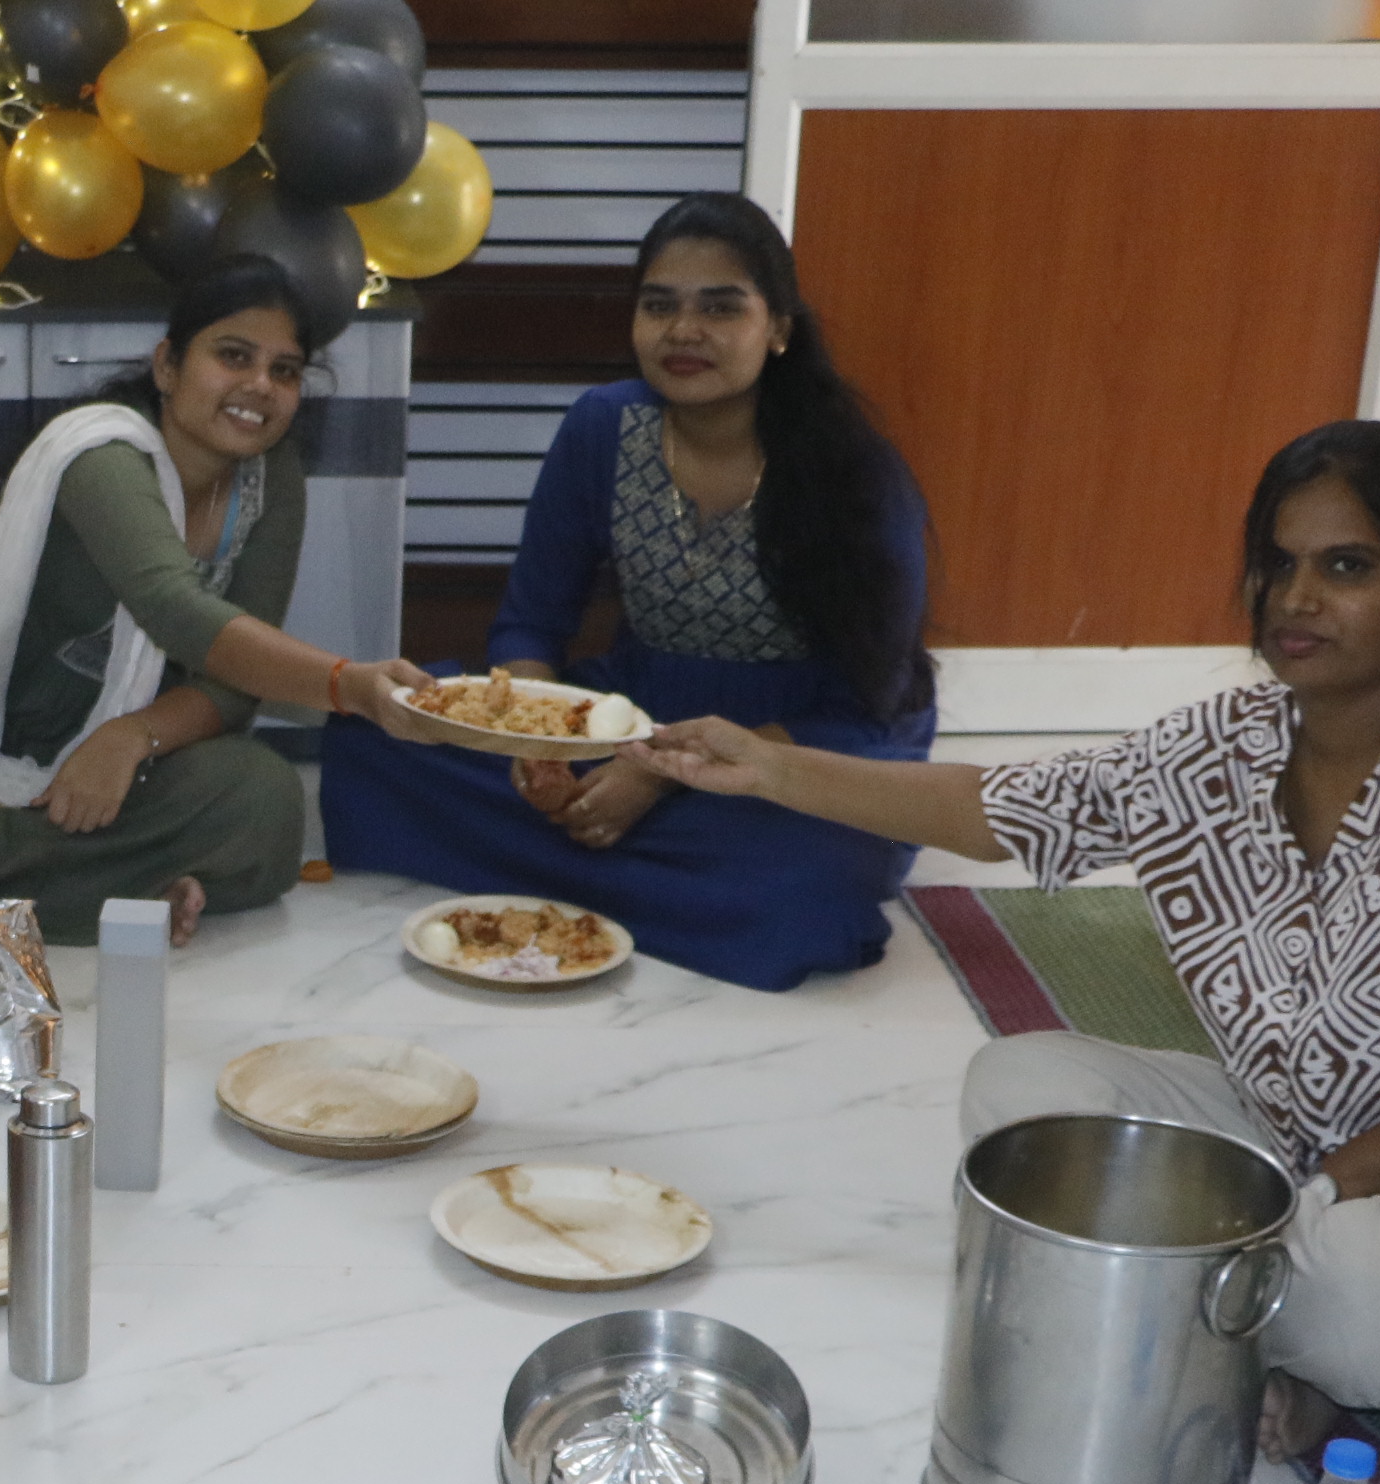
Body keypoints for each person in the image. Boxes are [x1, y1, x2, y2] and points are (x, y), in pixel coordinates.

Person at [623, 421, 1380, 1428]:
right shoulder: (1226, 745)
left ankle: (1259, 1328)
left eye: (1347, 567)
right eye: (1276, 563)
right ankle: (1252, 1329)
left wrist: (1319, 1201)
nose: (1297, 598)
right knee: (1024, 1090)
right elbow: (1001, 811)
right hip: (1299, 1145)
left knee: (1365, 1291)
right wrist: (769, 768)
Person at [323, 193, 940, 990]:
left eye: (720, 307)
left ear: (779, 328)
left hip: (796, 745)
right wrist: (540, 748)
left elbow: (868, 702)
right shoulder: (604, 427)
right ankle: (637, 871)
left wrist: (659, 772)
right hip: (634, 713)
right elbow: (532, 623)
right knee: (377, 734)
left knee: (806, 884)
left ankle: (596, 865)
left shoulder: (853, 474)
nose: (684, 331)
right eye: (659, 306)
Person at [0, 255, 432, 945]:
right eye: (233, 356)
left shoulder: (269, 481)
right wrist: (350, 686)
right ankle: (94, 889)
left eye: (284, 370)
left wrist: (132, 737)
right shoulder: (102, 455)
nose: (260, 385)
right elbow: (176, 610)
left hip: (100, 759)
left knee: (264, 799)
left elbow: (231, 687)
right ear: (168, 367)